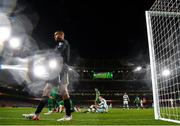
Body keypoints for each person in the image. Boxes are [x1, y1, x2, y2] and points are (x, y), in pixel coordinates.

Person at [23, 31, 72, 121]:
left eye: (60, 34)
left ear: (63, 35)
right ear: (54, 36)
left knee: (64, 91)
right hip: (55, 70)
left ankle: (68, 116)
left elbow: (58, 51)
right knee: (46, 90)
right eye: (56, 35)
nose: (58, 36)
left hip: (62, 69)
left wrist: (45, 57)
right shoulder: (56, 45)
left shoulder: (63, 42)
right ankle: (36, 114)